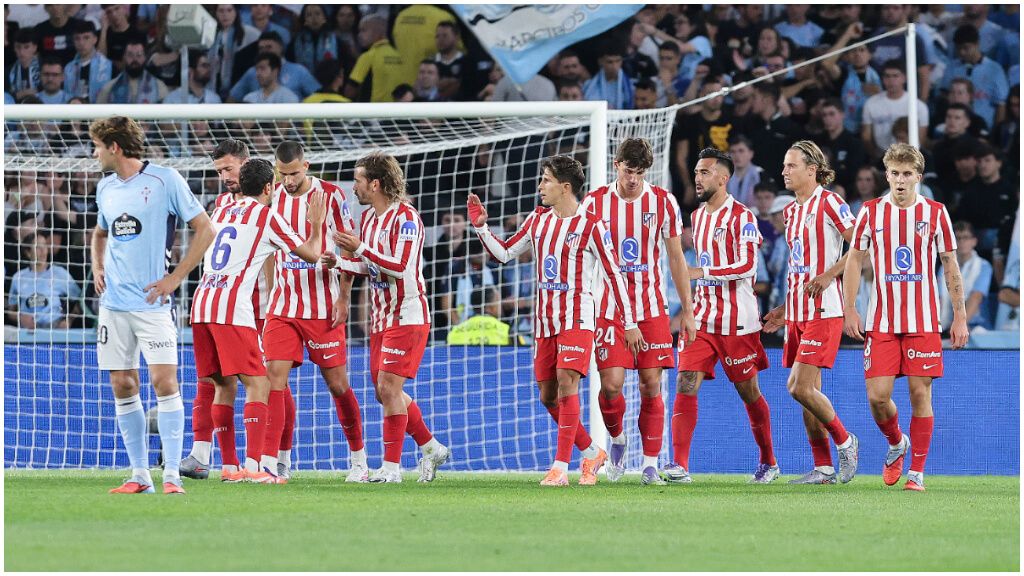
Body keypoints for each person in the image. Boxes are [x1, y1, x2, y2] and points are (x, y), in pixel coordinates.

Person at [468, 155, 642, 486]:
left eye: (545, 180)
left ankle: (560, 468)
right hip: (545, 322)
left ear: (565, 187)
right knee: (548, 396)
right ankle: (592, 451)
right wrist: (480, 227)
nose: (539, 186)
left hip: (578, 318)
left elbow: (614, 275)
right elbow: (504, 253)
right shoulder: (537, 220)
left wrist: (629, 322)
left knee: (567, 381)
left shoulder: (591, 226)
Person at [89, 116, 215, 494]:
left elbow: (205, 228)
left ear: (114, 147)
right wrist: (97, 266)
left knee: (164, 381)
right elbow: (99, 232)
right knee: (123, 384)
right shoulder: (105, 188)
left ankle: (173, 474)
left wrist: (175, 278)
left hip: (153, 304)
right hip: (114, 306)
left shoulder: (165, 180)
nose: (94, 154)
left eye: (97, 146)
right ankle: (140, 475)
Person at [842, 143, 970, 492]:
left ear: (918, 177)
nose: (900, 180)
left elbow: (950, 264)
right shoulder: (869, 212)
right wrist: (850, 307)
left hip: (923, 321)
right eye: (895, 173)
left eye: (907, 174)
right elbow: (854, 259)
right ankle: (897, 442)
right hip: (881, 321)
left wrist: (959, 316)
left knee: (919, 394)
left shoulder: (936, 213)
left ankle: (916, 473)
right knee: (878, 396)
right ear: (887, 175)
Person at [191, 158, 326, 483]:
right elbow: (312, 254)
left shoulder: (222, 210)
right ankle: (255, 467)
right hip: (231, 309)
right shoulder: (268, 217)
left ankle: (229, 467)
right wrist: (317, 223)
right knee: (260, 383)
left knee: (224, 385)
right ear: (270, 187)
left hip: (202, 304)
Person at [324, 151, 450, 483]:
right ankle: (431, 446)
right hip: (382, 317)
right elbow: (373, 267)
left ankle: (391, 469)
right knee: (383, 391)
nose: (354, 188)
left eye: (358, 181)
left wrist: (360, 248)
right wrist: (339, 263)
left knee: (388, 386)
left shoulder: (406, 219)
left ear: (376, 184)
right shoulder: (371, 220)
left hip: (408, 314)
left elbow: (401, 267)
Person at [580, 138, 696, 485]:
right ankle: (617, 440)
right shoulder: (595, 202)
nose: (633, 179)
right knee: (612, 386)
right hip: (609, 308)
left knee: (651, 384)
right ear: (617, 165)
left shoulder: (662, 202)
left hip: (651, 308)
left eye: (640, 172)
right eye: (629, 171)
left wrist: (687, 309)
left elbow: (676, 258)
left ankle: (648, 464)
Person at [665, 147, 779, 485]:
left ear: (723, 178)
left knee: (748, 392)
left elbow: (748, 265)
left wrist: (702, 272)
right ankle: (680, 465)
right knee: (685, 381)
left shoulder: (742, 216)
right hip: (700, 318)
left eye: (704, 173)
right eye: (697, 172)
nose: (697, 178)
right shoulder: (698, 217)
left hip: (737, 322)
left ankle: (768, 461)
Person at [264, 141, 367, 482]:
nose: (289, 180)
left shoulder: (332, 195)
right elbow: (268, 250)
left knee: (338, 385)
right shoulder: (273, 196)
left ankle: (358, 459)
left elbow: (350, 248)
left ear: (306, 165)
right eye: (283, 174)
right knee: (274, 380)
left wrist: (344, 298)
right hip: (282, 307)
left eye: (294, 173)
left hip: (323, 305)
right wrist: (269, 296)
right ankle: (278, 461)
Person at [761, 141, 860, 485]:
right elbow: (798, 267)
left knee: (798, 387)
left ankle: (846, 442)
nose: (784, 171)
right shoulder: (790, 212)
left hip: (825, 309)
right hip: (798, 312)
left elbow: (862, 248)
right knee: (809, 398)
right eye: (784, 165)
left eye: (791, 165)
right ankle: (824, 468)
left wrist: (829, 274)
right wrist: (785, 310)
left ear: (811, 170)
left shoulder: (831, 203)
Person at [180, 140, 273, 480]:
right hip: (229, 304)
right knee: (223, 381)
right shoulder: (220, 205)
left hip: (252, 303)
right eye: (218, 171)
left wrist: (271, 295)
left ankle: (266, 460)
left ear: (246, 165)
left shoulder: (267, 202)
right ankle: (231, 462)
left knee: (257, 382)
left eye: (228, 169)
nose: (224, 177)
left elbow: (271, 254)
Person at [6, 232, 81, 329]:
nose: (43, 251)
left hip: (54, 328)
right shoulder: (18, 277)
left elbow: (81, 301)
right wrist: (21, 318)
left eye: (45, 246)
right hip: (28, 333)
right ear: (28, 253)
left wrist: (68, 321)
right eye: (38, 247)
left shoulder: (60, 273)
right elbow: (10, 311)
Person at [860, 60, 928, 161]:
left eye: (895, 76)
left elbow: (921, 139)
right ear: (882, 79)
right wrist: (876, 156)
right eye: (887, 76)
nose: (891, 80)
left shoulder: (918, 106)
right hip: (881, 156)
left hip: (909, 157)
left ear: (904, 78)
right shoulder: (871, 103)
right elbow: (866, 137)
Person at [938, 221, 994, 330]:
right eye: (958, 238)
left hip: (977, 326)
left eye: (966, 237)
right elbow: (939, 299)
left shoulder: (984, 266)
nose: (962, 242)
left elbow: (976, 297)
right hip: (947, 326)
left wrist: (959, 325)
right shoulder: (943, 267)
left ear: (974, 241)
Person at [346, 14, 406, 103]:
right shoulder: (398, 56)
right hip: (396, 112)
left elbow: (350, 91)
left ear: (378, 31)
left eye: (363, 30)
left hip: (373, 112)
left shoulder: (368, 56)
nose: (359, 35)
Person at [96, 40, 168, 104]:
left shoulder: (159, 87)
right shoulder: (109, 88)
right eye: (130, 55)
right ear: (124, 57)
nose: (134, 59)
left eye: (139, 55)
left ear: (145, 57)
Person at [62, 20, 111, 103]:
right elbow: (66, 96)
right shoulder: (68, 68)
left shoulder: (108, 66)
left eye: (86, 38)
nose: (81, 43)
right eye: (77, 38)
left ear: (95, 39)